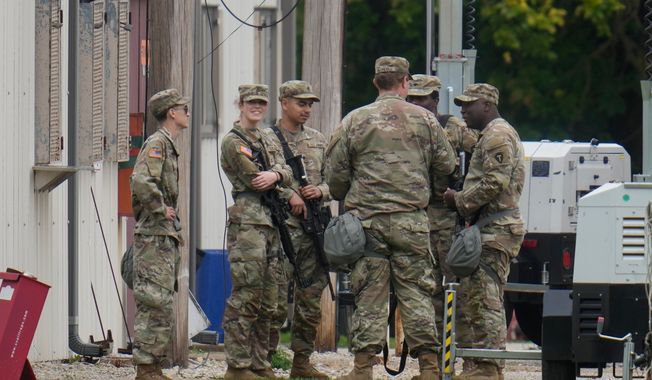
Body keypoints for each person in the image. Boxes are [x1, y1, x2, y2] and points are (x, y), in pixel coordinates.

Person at [326, 56, 456, 380]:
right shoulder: (426, 120)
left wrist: (349, 192)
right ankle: (429, 369)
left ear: (376, 83)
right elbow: (446, 166)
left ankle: (361, 370)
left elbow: (335, 176)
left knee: (369, 295)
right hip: (411, 221)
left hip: (367, 224)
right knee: (417, 293)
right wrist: (431, 190)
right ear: (405, 82)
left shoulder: (354, 121)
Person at [443, 83, 526, 380]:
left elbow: (495, 182)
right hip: (487, 227)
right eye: (462, 105)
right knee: (474, 297)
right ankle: (477, 364)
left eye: (469, 105)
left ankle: (489, 367)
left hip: (495, 228)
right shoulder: (488, 135)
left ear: (488, 106)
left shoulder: (497, 135)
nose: (463, 110)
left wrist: (459, 200)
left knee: (487, 296)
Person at [220, 84, 293, 380]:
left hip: (271, 222)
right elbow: (253, 179)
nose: (257, 107)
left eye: (262, 102)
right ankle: (237, 366)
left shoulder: (268, 137)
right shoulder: (233, 141)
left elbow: (285, 170)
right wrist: (276, 175)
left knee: (270, 298)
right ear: (240, 104)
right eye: (251, 102)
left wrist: (276, 173)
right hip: (248, 223)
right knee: (247, 296)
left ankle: (260, 362)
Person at [407, 74, 479, 369]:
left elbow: (477, 150)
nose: (415, 104)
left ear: (435, 100)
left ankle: (469, 361)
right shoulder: (404, 126)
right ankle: (432, 363)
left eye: (421, 99)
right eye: (410, 98)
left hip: (447, 216)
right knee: (426, 292)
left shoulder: (453, 126)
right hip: (416, 215)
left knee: (455, 290)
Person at [263, 80, 331, 379]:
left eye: (309, 104)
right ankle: (264, 360)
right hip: (279, 230)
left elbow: (336, 178)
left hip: (311, 232)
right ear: (284, 102)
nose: (306, 109)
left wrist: (322, 190)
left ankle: (301, 362)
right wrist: (287, 193)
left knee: (310, 300)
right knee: (274, 301)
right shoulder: (267, 138)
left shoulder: (318, 140)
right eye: (301, 103)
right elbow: (256, 179)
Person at [130, 88, 190, 380]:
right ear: (172, 113)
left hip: (162, 235)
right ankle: (146, 367)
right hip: (154, 235)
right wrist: (160, 208)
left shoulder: (167, 144)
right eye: (184, 109)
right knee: (154, 298)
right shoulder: (158, 143)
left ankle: (151, 365)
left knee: (162, 299)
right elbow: (141, 179)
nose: (187, 114)